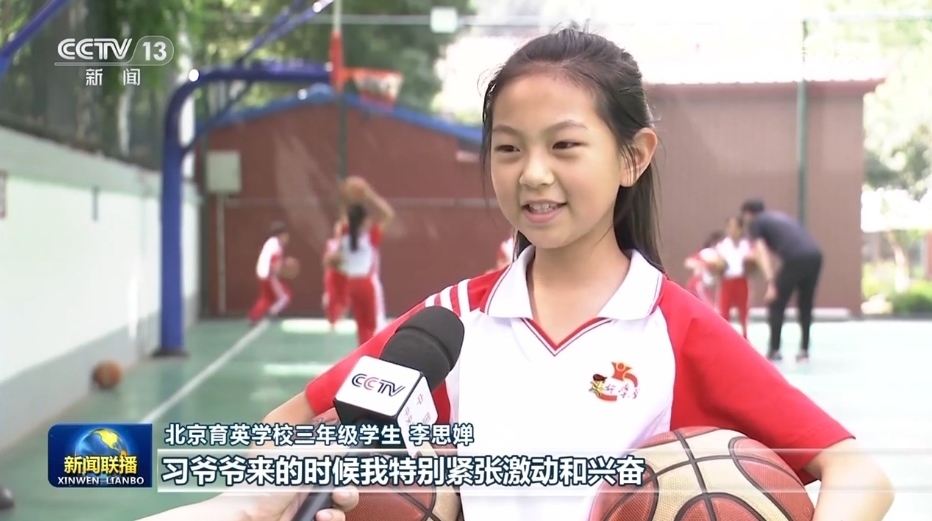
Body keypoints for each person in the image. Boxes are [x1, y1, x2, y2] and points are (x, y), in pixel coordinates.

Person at [263, 28, 892, 521]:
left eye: (564, 145)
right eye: (508, 148)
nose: (533, 173)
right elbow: (280, 432)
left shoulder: (675, 329)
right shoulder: (450, 324)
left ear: (633, 157)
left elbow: (859, 474)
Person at [741, 199, 824, 362]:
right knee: (805, 304)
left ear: (748, 214)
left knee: (776, 303)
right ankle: (804, 350)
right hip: (815, 256)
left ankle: (774, 350)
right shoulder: (779, 217)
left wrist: (771, 282)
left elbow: (761, 252)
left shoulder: (756, 222)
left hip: (795, 259)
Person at [323, 179, 394, 345]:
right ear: (364, 221)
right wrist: (370, 195)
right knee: (375, 326)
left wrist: (344, 199)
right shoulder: (371, 237)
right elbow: (389, 214)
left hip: (352, 284)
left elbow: (344, 218)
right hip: (368, 283)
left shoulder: (344, 235)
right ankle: (377, 355)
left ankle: (364, 353)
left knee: (362, 327)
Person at [714, 216, 753, 338]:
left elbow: (751, 263)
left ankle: (745, 335)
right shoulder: (722, 246)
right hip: (728, 280)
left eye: (735, 227)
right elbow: (718, 263)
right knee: (724, 310)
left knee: (743, 310)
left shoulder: (746, 245)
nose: (733, 230)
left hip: (741, 280)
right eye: (730, 227)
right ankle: (725, 336)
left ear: (740, 229)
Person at [247, 221, 292, 326]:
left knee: (266, 298)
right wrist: (285, 267)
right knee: (285, 296)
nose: (287, 238)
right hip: (269, 275)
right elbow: (275, 265)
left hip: (262, 274)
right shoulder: (277, 246)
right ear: (281, 234)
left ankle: (253, 316)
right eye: (286, 235)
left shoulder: (270, 243)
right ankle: (272, 313)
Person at [683, 231, 723, 306]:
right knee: (708, 307)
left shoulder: (722, 256)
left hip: (709, 287)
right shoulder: (708, 253)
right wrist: (706, 265)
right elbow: (688, 262)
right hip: (698, 285)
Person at [322, 223, 348, 332]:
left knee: (344, 297)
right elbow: (326, 260)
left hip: (344, 274)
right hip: (333, 274)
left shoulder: (348, 244)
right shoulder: (331, 243)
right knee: (331, 297)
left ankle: (340, 316)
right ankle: (332, 321)